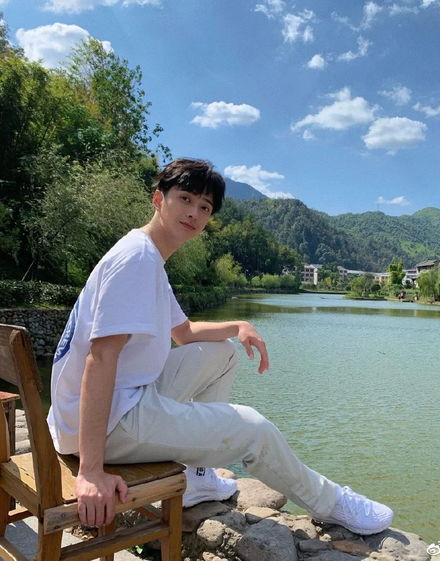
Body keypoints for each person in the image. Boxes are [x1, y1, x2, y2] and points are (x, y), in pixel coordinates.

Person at [47, 158, 394, 535]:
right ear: (159, 199)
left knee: (222, 353)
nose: (194, 213)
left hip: (109, 406)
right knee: (253, 430)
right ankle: (331, 502)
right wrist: (91, 472)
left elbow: (184, 333)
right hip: (107, 425)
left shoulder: (146, 256)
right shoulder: (137, 260)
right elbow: (101, 359)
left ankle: (197, 478)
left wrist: (238, 326)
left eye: (205, 207)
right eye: (185, 199)